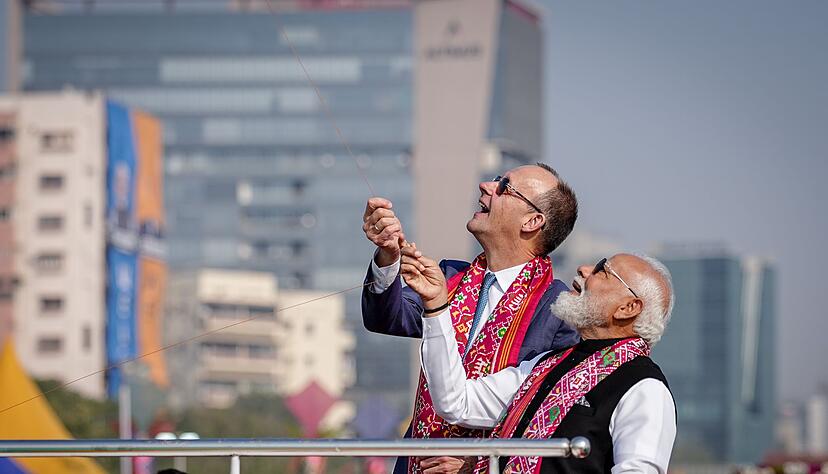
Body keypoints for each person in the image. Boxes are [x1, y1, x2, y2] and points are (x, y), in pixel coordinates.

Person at [361, 164, 580, 473]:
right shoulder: (450, 278)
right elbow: (385, 318)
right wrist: (387, 255)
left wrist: (479, 459)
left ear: (532, 221)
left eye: (504, 186)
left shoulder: (559, 310)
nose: (485, 186)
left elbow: (548, 416)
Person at [403, 249, 676, 473]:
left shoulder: (644, 388)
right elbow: (455, 402)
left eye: (603, 270)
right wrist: (436, 306)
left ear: (628, 308)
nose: (583, 269)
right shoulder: (545, 366)